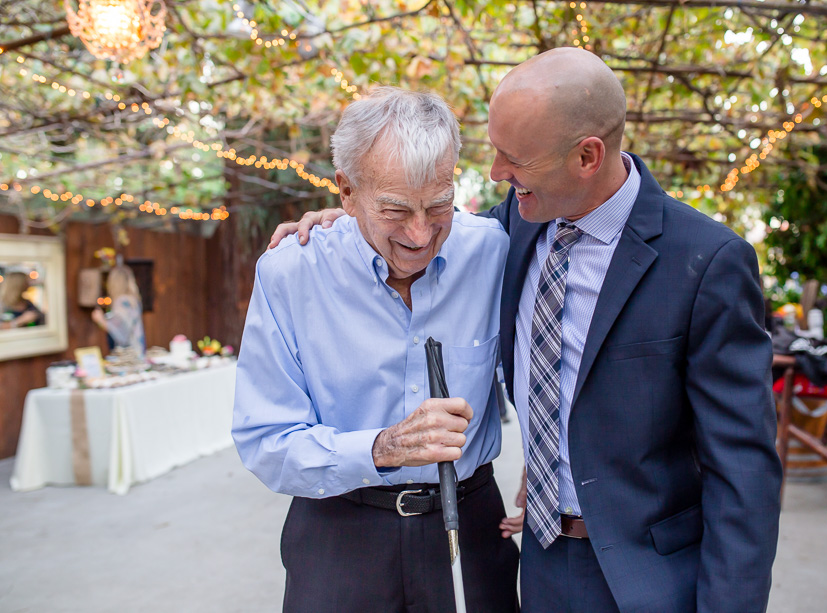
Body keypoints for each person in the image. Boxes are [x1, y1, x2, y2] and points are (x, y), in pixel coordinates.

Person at [272, 48, 782, 612]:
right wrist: (346, 220)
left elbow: (744, 470)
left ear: (587, 156)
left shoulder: (707, 261)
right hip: (539, 564)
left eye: (515, 158)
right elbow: (415, 224)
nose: (496, 173)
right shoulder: (510, 229)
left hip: (651, 579)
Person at [233, 87, 518, 613]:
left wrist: (551, 472)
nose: (419, 233)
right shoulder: (291, 272)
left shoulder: (493, 249)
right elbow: (266, 439)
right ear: (345, 191)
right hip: (340, 526)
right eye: (394, 209)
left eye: (438, 206)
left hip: (472, 518)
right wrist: (382, 448)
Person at [91, 265, 146, 356]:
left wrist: (100, 320)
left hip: (128, 357)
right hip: (138, 352)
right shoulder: (133, 300)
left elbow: (121, 333)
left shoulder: (122, 301)